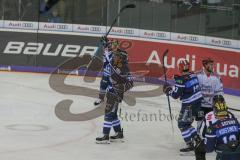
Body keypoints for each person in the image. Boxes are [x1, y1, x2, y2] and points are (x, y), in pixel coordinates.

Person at [163, 59, 203, 153]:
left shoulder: (181, 80)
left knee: (182, 124)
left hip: (189, 105)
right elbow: (185, 79)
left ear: (180, 68)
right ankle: (197, 139)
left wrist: (168, 91)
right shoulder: (193, 75)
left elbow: (175, 95)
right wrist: (177, 79)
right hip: (198, 103)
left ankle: (189, 144)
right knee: (187, 123)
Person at [95, 45, 133, 144]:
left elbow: (130, 82)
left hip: (115, 95)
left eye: (117, 56)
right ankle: (119, 134)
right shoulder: (114, 65)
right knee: (113, 114)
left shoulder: (123, 69)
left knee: (108, 114)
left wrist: (122, 89)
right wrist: (106, 51)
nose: (114, 57)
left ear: (121, 59)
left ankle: (105, 136)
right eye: (115, 56)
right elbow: (107, 63)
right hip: (112, 93)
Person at [195, 95, 240, 160]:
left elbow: (209, 148)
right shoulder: (234, 120)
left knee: (199, 148)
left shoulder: (212, 126)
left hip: (221, 148)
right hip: (236, 150)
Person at [94, 37, 128, 106]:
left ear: (118, 45)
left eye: (116, 45)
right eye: (113, 44)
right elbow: (107, 53)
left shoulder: (121, 53)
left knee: (112, 88)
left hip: (114, 75)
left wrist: (106, 45)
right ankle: (101, 99)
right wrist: (105, 43)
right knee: (103, 86)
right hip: (106, 73)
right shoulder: (108, 51)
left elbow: (120, 58)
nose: (114, 46)